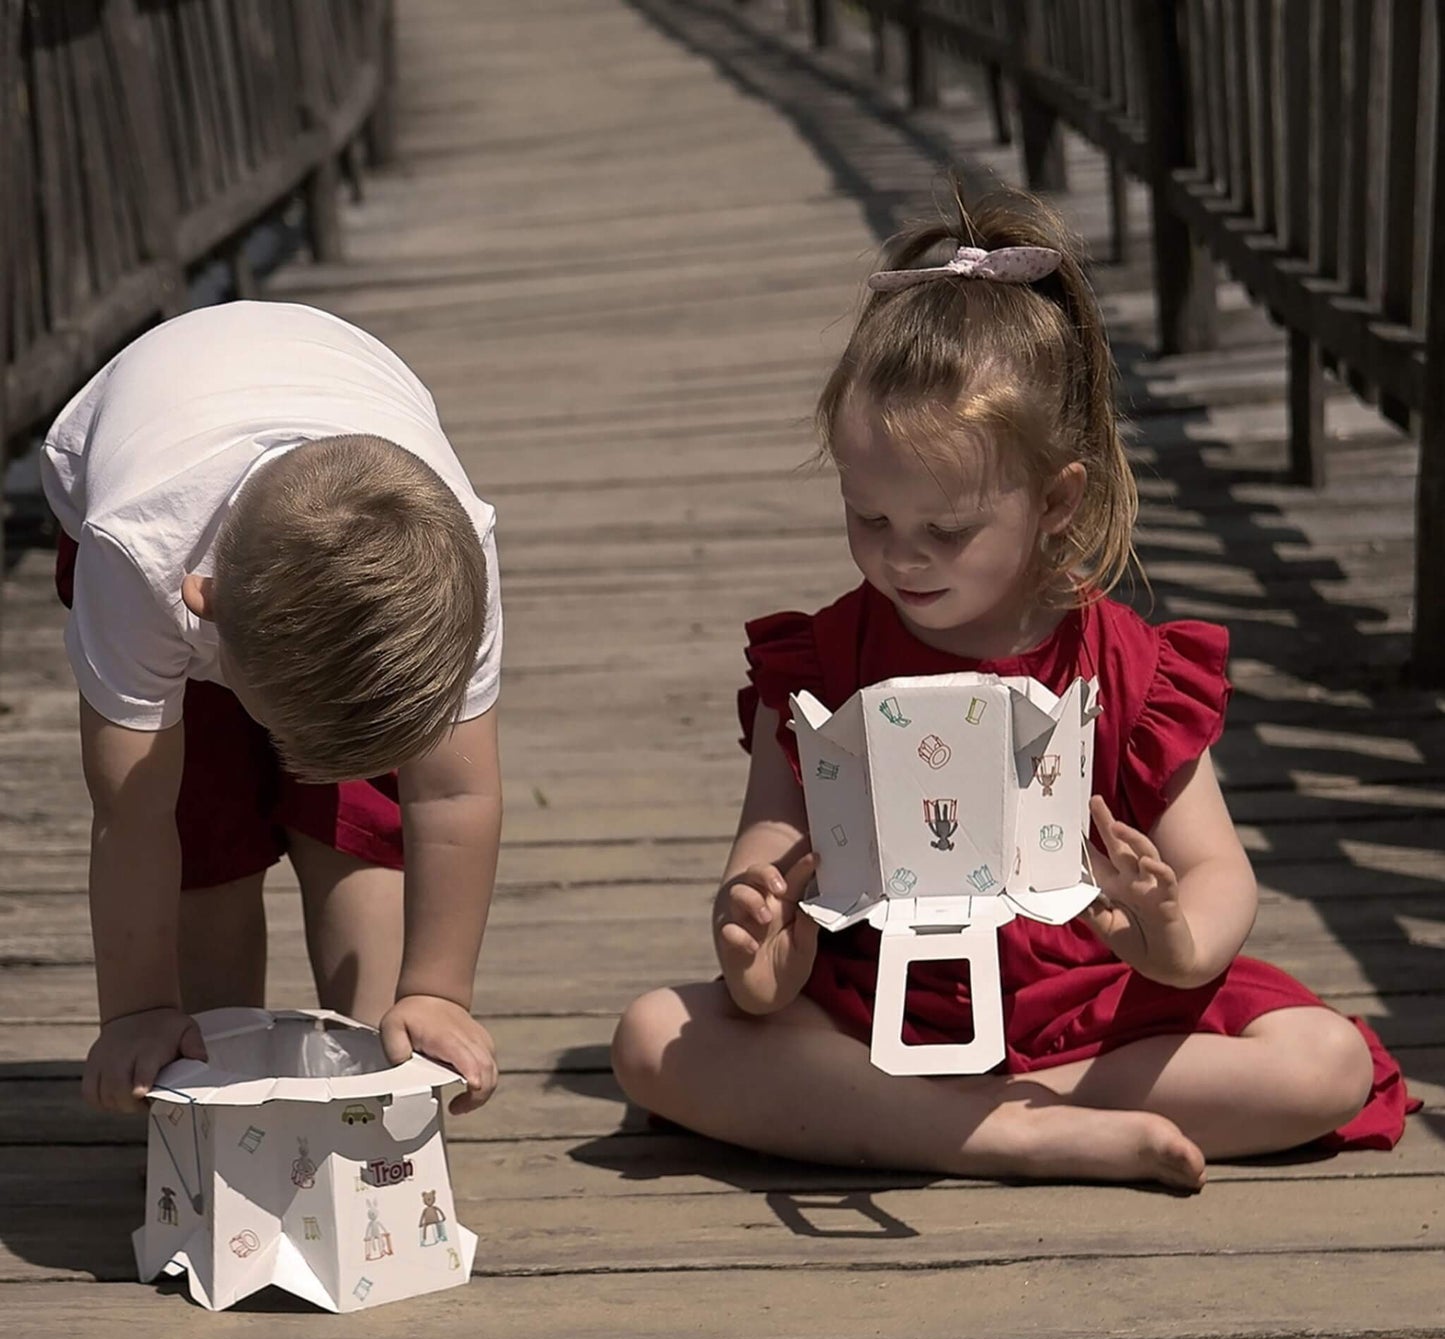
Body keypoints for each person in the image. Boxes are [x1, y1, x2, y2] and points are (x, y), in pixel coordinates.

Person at [611, 187, 1418, 1190]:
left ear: (1054, 499)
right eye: (867, 519)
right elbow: (769, 853)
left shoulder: (1121, 661)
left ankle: (942, 1122)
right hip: (878, 1009)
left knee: (1324, 1059)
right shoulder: (816, 663)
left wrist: (1171, 934)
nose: (899, 559)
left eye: (943, 530)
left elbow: (1216, 868)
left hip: (1091, 1001)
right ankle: (1017, 1134)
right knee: (653, 1035)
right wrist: (759, 948)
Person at [43, 301, 503, 1116]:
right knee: (196, 819)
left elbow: (454, 795)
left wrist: (440, 989)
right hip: (152, 458)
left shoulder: (451, 553)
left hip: (334, 416)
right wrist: (137, 1009)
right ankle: (210, 1070)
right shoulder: (137, 561)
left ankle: (376, 1064)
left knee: (363, 820)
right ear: (205, 607)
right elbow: (131, 814)